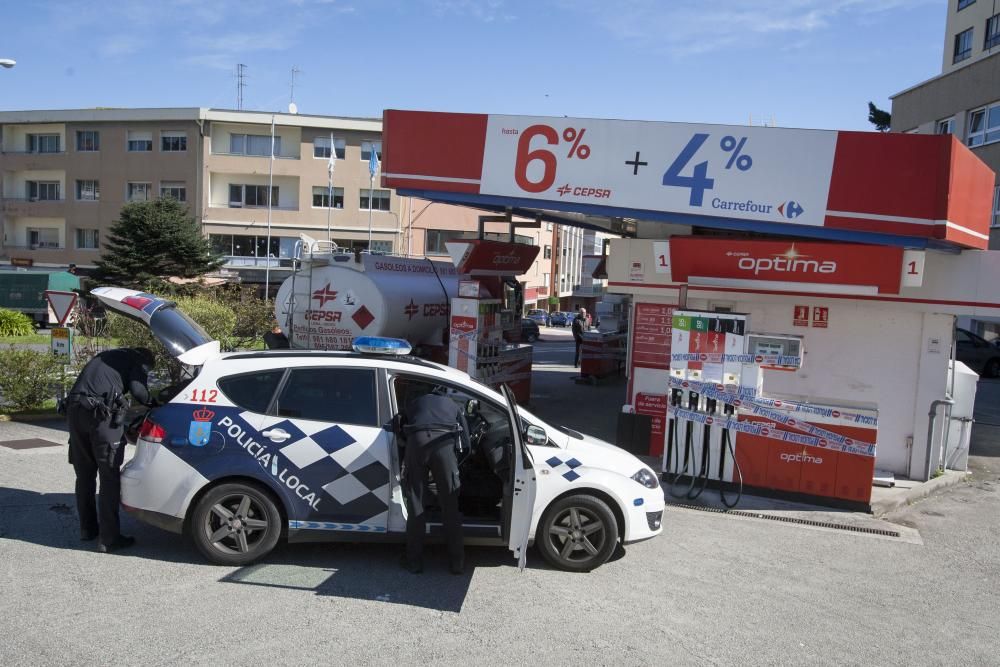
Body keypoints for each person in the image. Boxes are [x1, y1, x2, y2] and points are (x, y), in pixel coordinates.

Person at [66, 347, 156, 553]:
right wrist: (155, 402)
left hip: (75, 412)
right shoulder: (138, 360)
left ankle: (87, 529)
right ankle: (109, 538)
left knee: (85, 475)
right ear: (147, 361)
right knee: (109, 477)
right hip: (100, 415)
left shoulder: (108, 356)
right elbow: (139, 392)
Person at [397, 383, 471, 575]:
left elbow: (401, 430)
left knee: (416, 502)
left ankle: (414, 562)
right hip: (443, 442)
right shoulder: (452, 404)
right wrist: (455, 465)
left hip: (418, 440)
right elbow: (467, 441)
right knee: (449, 505)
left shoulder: (414, 403)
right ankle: (457, 563)